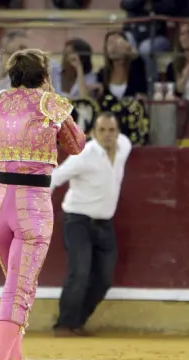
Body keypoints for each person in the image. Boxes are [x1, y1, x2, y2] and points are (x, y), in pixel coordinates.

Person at [0, 48, 86, 360]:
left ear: (12, 75)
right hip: (32, 209)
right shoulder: (51, 104)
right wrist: (51, 99)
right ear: (44, 75)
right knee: (18, 290)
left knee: (16, 284)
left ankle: (16, 359)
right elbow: (77, 145)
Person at [51, 112, 132, 337]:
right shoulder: (83, 155)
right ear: (93, 133)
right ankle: (64, 325)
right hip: (78, 222)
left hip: (105, 224)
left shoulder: (124, 146)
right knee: (79, 273)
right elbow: (55, 178)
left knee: (104, 280)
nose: (107, 135)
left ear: (118, 132)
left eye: (112, 130)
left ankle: (77, 321)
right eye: (102, 130)